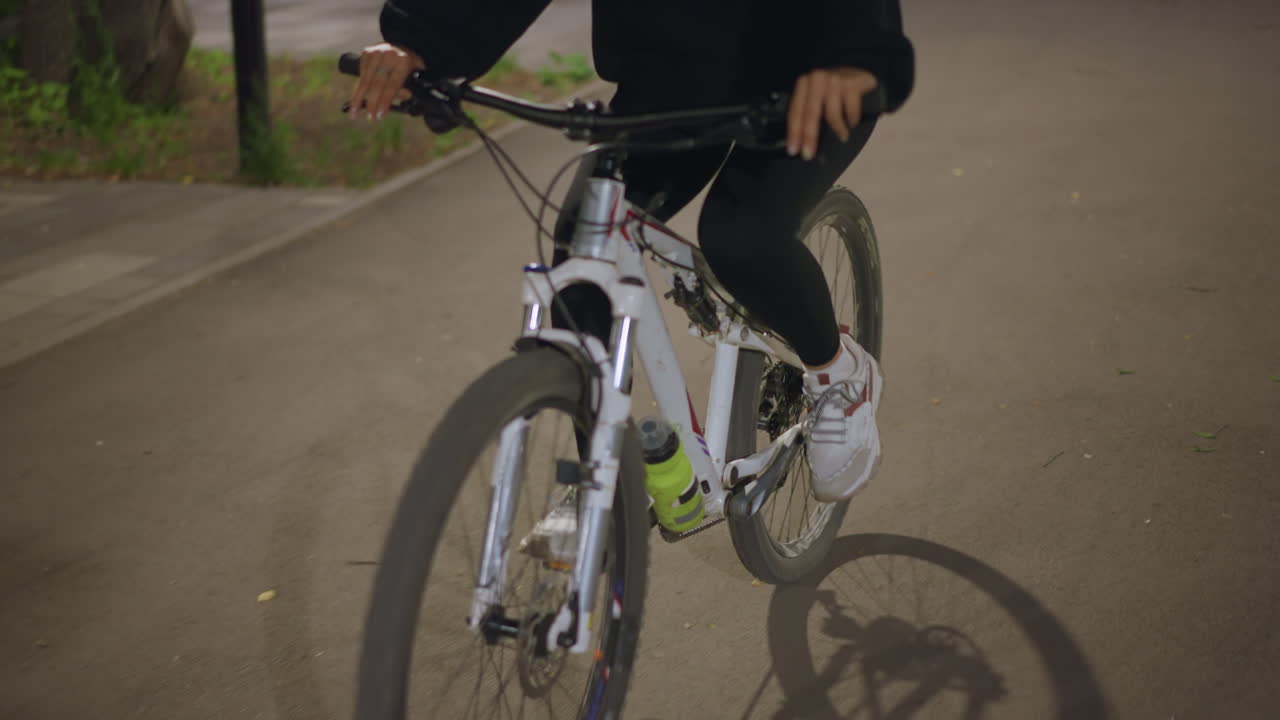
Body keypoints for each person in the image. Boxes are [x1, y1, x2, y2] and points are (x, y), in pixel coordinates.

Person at [348, 0, 915, 502]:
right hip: (670, 91)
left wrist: (855, 55)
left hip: (809, 86)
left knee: (742, 237)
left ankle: (838, 372)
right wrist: (419, 42)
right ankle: (601, 481)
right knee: (584, 245)